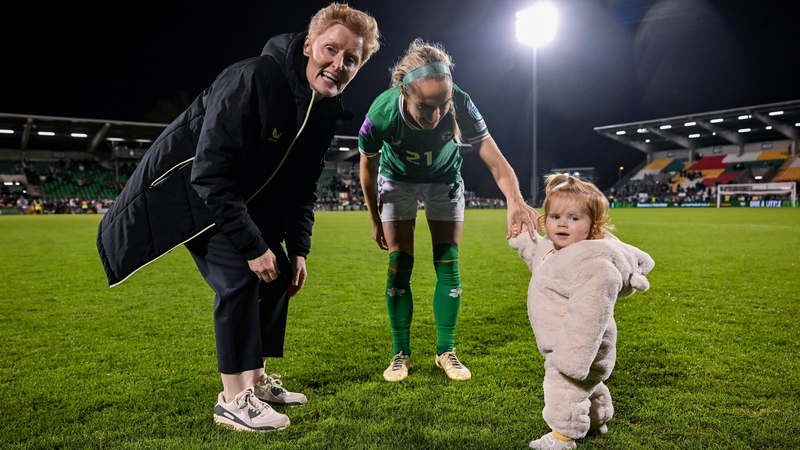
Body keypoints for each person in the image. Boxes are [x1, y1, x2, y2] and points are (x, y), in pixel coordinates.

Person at [97, 3, 380, 433]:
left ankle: (257, 382)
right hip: (197, 199)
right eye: (330, 50)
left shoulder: (324, 111)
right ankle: (232, 400)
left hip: (245, 201)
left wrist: (299, 250)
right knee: (241, 277)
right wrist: (252, 247)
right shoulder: (251, 78)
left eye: (351, 60)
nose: (338, 65)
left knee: (279, 272)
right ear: (308, 45)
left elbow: (302, 189)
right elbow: (208, 175)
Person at [358, 39, 538, 382]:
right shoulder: (381, 113)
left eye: (443, 104)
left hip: (444, 180)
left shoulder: (462, 104)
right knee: (400, 263)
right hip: (398, 181)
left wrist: (514, 198)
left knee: (448, 262)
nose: (437, 114)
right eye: (426, 106)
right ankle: (400, 353)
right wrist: (373, 217)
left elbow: (493, 157)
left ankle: (446, 351)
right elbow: (367, 168)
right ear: (404, 93)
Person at [507, 173, 654, 449]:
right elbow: (543, 265)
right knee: (587, 386)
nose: (563, 223)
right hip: (566, 344)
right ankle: (599, 416)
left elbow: (589, 317)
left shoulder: (595, 267)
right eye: (555, 217)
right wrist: (525, 241)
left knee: (563, 387)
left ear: (592, 226)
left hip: (579, 348)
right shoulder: (555, 247)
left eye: (574, 218)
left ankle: (563, 436)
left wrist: (570, 360)